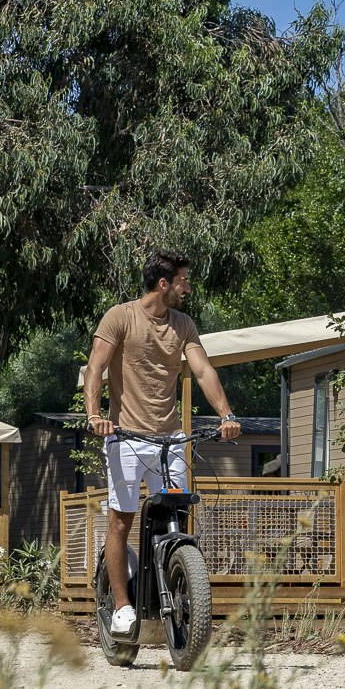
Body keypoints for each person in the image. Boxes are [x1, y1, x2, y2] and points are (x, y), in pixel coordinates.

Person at [86, 249, 241, 634]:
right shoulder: (120, 317)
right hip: (125, 436)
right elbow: (95, 367)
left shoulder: (183, 324)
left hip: (169, 439)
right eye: (183, 280)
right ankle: (122, 605)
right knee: (121, 520)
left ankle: (171, 590)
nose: (187, 288)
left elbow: (203, 370)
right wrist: (94, 416)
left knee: (177, 512)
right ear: (163, 283)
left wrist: (226, 415)